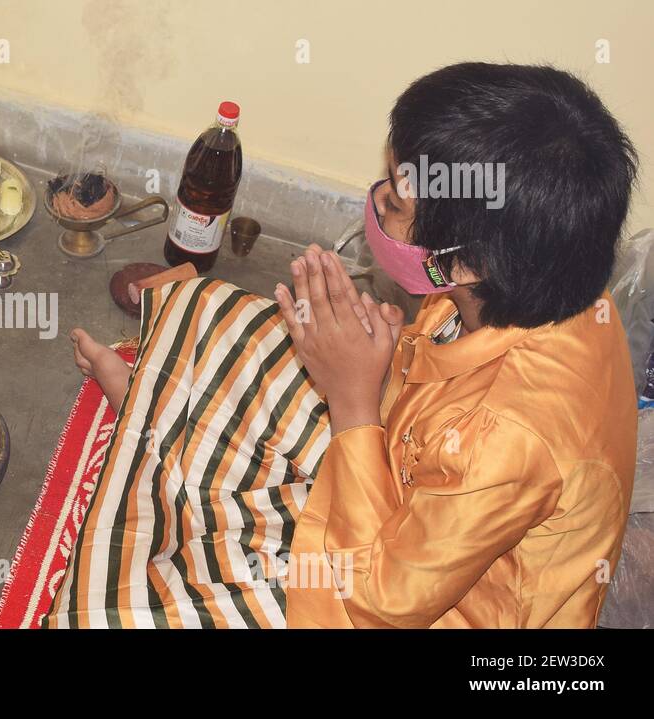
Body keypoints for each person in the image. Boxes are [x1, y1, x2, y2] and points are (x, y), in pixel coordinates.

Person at [53, 62, 637, 629]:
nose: (375, 199)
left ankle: (152, 418)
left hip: (422, 601)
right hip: (409, 470)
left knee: (127, 616)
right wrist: (387, 362)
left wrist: (354, 399)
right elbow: (435, 395)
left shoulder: (510, 439)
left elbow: (384, 604)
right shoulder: (540, 275)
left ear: (459, 263)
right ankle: (156, 413)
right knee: (219, 314)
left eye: (394, 205)